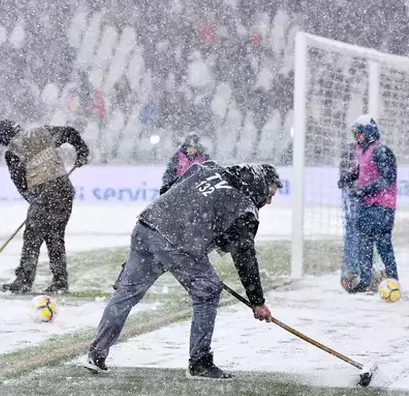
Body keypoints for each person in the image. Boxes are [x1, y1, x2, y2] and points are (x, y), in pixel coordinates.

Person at [85, 161, 281, 380]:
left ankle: (97, 353)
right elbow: (244, 255)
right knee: (208, 291)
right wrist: (257, 301)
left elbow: (167, 189)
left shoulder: (207, 168)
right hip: (178, 241)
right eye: (269, 194)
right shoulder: (243, 207)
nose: (269, 201)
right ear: (257, 185)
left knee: (126, 294)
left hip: (147, 225)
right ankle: (199, 363)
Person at [0, 120, 89, 294]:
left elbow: (21, 183)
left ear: (4, 139)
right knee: (55, 237)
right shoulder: (42, 132)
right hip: (64, 190)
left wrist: (34, 202)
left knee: (32, 237)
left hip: (43, 193)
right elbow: (70, 131)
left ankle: (24, 280)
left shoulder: (12, 151)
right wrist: (82, 151)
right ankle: (60, 282)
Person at [343, 115, 398, 293]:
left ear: (368, 133)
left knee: (383, 243)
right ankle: (366, 280)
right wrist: (348, 178)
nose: (356, 137)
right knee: (364, 240)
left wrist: (365, 189)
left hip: (383, 205)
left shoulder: (381, 151)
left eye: (359, 133)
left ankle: (393, 279)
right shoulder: (363, 150)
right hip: (366, 204)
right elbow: (363, 169)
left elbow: (388, 178)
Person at [337, 141, 360, 292]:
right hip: (352, 198)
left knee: (361, 234)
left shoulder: (373, 152)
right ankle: (352, 272)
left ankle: (360, 271)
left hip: (364, 199)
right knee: (352, 231)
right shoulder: (349, 151)